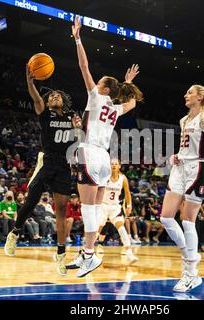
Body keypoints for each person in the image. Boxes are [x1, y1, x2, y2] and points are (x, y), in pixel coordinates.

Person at [67, 15, 143, 277]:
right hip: (103, 156)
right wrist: (129, 83)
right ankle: (86, 253)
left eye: (98, 82)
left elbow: (83, 65)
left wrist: (78, 38)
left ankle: (89, 256)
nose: (94, 82)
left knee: (88, 208)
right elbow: (132, 103)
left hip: (90, 153)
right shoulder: (115, 107)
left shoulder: (96, 97)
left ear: (103, 89)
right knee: (95, 208)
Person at [4, 62, 82, 276]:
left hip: (64, 166)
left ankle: (61, 254)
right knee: (30, 202)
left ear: (63, 101)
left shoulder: (71, 118)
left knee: (61, 210)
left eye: (58, 96)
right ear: (48, 103)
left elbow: (78, 143)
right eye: (51, 96)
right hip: (46, 162)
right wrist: (30, 84)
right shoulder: (45, 114)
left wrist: (78, 129)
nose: (55, 97)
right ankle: (15, 232)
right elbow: (36, 98)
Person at [160, 84, 204, 292]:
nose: (185, 95)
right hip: (179, 168)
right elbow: (185, 147)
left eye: (190, 92)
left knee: (187, 221)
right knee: (165, 217)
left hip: (197, 169)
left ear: (200, 97)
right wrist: (175, 156)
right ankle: (190, 255)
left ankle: (191, 274)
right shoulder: (183, 120)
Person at [96, 159, 138, 264]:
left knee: (121, 228)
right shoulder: (104, 177)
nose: (114, 165)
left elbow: (127, 193)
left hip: (115, 207)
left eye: (116, 164)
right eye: (112, 164)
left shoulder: (123, 178)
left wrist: (129, 205)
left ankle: (129, 253)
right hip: (103, 206)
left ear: (119, 166)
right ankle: (86, 251)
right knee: (98, 228)